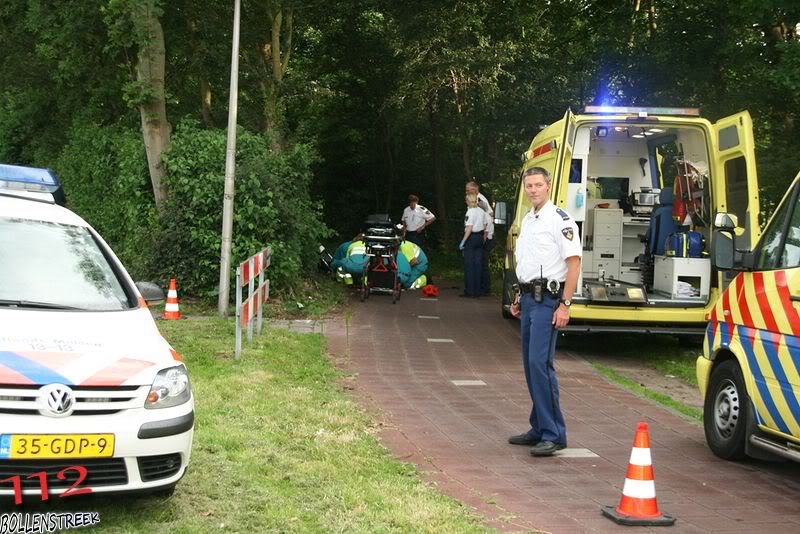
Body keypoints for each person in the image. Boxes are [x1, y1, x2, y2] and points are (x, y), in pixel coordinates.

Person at [508, 167, 581, 457]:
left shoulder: (559, 220)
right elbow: (526, 262)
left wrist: (565, 304)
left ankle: (554, 434)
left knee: (540, 364)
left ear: (548, 187)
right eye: (529, 185)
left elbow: (573, 264)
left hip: (548, 299)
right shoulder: (528, 220)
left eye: (538, 185)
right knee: (529, 364)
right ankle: (539, 427)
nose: (533, 190)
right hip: (528, 297)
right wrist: (517, 296)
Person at [466, 181, 494, 295]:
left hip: (484, 234)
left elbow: (489, 215)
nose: (466, 191)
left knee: (482, 262)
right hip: (483, 233)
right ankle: (480, 287)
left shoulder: (480, 200)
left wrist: (486, 234)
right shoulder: (475, 199)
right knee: (480, 261)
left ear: (475, 189)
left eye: (468, 189)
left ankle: (484, 287)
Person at [459, 192, 487, 298]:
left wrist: (463, 241)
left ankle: (469, 291)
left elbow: (469, 228)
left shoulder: (470, 212)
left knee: (469, 265)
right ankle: (477, 291)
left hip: (471, 238)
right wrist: (483, 239)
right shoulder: (481, 211)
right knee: (478, 265)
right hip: (480, 237)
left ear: (468, 201)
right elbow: (485, 226)